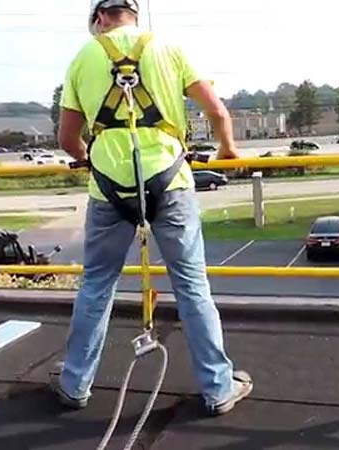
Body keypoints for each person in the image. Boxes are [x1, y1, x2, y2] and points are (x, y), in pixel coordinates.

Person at [50, 0, 252, 416]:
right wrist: (228, 148)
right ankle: (217, 387)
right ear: (134, 13)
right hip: (170, 182)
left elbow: (68, 138)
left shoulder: (82, 58)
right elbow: (216, 110)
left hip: (108, 190)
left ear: (100, 18)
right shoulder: (169, 49)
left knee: (97, 285)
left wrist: (92, 157)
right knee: (192, 286)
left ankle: (74, 384)